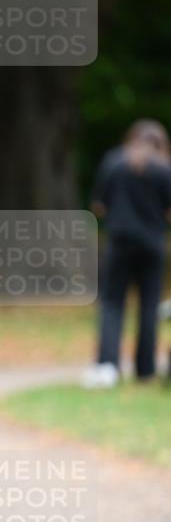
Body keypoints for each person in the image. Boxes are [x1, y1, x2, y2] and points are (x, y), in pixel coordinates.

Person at [83, 120, 171, 388]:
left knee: (112, 304)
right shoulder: (164, 169)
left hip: (119, 243)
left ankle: (107, 365)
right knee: (149, 306)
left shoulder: (114, 162)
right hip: (153, 244)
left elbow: (99, 205)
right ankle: (145, 370)